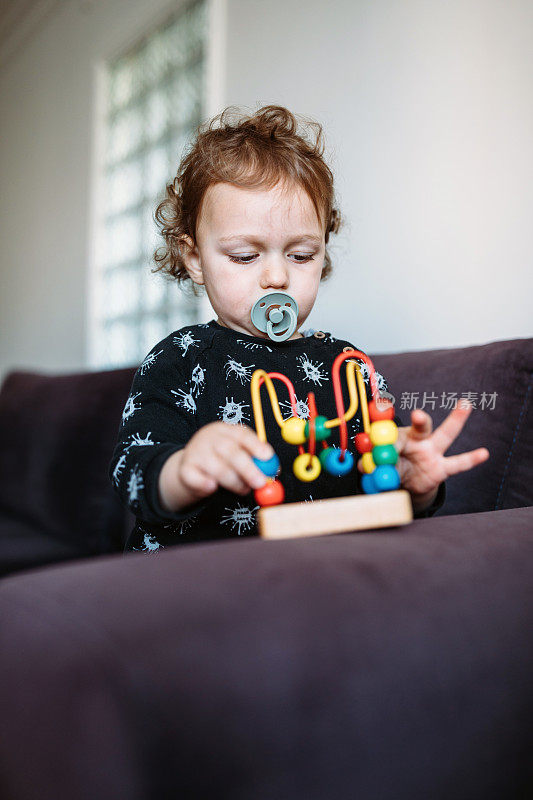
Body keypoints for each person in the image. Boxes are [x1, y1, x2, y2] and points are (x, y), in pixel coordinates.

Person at [108, 105, 489, 554]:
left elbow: (385, 476)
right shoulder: (182, 357)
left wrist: (415, 485)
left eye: (301, 255)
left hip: (324, 579)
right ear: (194, 258)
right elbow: (130, 473)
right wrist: (183, 470)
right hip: (202, 585)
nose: (276, 277)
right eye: (245, 257)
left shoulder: (350, 368)